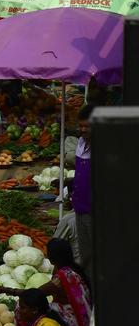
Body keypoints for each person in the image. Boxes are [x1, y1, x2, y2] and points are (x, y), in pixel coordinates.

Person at [71, 104, 94, 273]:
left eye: (88, 126)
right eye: (81, 126)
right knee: (85, 255)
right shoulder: (80, 143)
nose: (83, 130)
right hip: (80, 208)